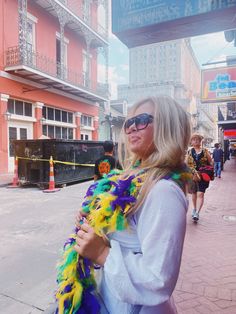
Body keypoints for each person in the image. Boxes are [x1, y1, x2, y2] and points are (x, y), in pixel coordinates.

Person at [56, 96, 192, 314]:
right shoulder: (133, 179)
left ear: (168, 127)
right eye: (129, 123)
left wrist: (101, 252)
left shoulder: (163, 191)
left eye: (142, 120)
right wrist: (93, 222)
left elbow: (158, 279)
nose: (130, 129)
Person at [186, 134, 212, 222]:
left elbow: (211, 162)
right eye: (194, 139)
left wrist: (210, 170)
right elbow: (186, 164)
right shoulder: (189, 152)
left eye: (198, 139)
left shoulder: (205, 151)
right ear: (191, 142)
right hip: (192, 175)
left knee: (200, 193)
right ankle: (194, 209)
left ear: (200, 141)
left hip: (203, 176)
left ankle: (197, 212)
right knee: (194, 193)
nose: (196, 141)